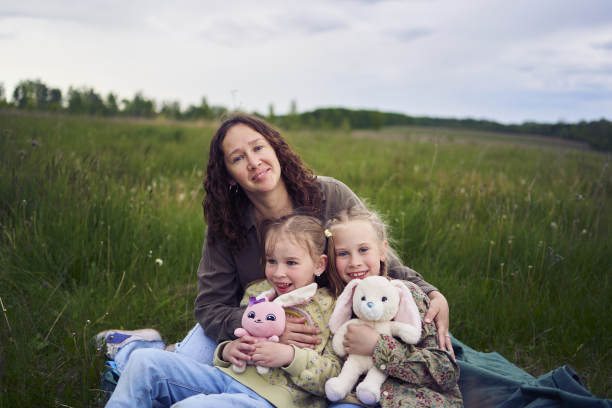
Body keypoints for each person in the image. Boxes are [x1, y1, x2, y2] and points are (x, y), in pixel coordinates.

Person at [96, 114, 452, 389]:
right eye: (238, 158)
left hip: (323, 325)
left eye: (258, 147)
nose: (253, 161)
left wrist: (432, 291)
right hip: (246, 323)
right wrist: (264, 327)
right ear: (230, 175)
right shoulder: (226, 223)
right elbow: (209, 306)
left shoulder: (331, 195)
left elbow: (379, 261)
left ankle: (162, 350)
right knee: (174, 376)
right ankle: (131, 347)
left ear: (275, 149)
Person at [106, 214, 342, 407]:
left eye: (291, 263)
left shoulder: (330, 307)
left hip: (271, 400)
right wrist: (227, 350)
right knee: (144, 362)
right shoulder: (258, 294)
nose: (278, 272)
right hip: (225, 378)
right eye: (271, 261)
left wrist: (290, 357)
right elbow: (234, 343)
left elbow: (333, 377)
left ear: (319, 264)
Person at [324, 206, 462, 408]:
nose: (354, 262)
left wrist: (378, 347)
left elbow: (446, 372)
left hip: (414, 400)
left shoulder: (408, 295)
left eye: (363, 250)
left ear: (382, 251)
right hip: (354, 400)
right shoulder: (334, 304)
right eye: (343, 253)